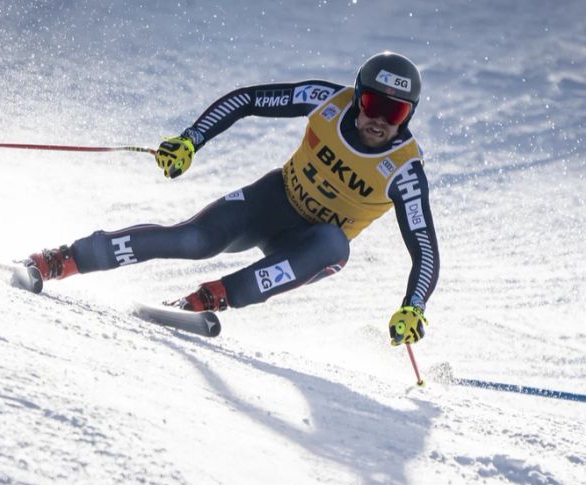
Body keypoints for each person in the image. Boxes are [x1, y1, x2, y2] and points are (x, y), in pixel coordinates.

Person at [26, 51, 439, 346]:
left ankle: (207, 299)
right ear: (358, 95)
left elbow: (424, 250)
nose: (380, 121)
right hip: (271, 202)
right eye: (373, 104)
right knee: (192, 240)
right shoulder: (327, 100)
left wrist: (414, 306)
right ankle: (65, 258)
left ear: (409, 116)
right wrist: (191, 140)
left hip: (307, 246)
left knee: (335, 244)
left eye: (396, 113)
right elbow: (248, 100)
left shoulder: (404, 171)